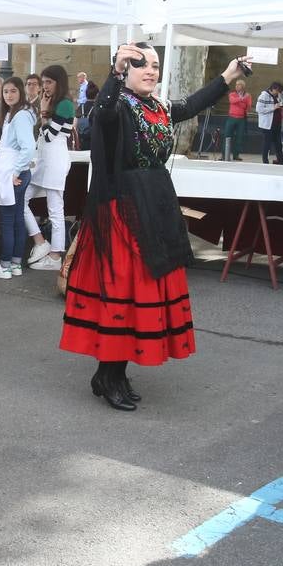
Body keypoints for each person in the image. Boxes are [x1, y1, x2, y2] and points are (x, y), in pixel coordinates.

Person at [62, 44, 250, 411]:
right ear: (125, 71)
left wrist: (228, 76)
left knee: (143, 295)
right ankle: (108, 373)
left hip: (155, 206)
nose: (150, 71)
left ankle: (112, 373)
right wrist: (114, 75)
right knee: (126, 294)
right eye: (140, 65)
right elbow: (103, 115)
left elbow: (191, 105)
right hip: (122, 213)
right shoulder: (116, 106)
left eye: (155, 65)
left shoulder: (157, 108)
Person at [25, 65, 76, 272]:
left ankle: (55, 256)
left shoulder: (64, 104)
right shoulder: (55, 102)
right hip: (45, 160)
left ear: (58, 82)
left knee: (55, 209)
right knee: (21, 199)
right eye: (43, 81)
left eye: (48, 82)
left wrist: (44, 112)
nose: (44, 86)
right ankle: (40, 241)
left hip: (54, 160)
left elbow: (49, 134)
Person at [0, 78, 37, 279]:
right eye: (6, 91)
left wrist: (15, 172)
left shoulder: (21, 115)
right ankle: (15, 264)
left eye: (13, 91)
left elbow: (28, 147)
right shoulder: (13, 114)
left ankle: (5, 265)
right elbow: (6, 144)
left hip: (13, 173)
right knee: (15, 219)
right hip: (11, 170)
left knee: (8, 219)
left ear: (20, 92)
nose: (8, 95)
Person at [255, 81, 283, 164]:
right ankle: (265, 161)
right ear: (273, 89)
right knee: (267, 144)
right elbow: (259, 109)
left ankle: (281, 161)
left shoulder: (277, 96)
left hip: (277, 124)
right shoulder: (263, 96)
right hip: (268, 125)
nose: (278, 93)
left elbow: (277, 106)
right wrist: (273, 108)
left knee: (278, 144)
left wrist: (281, 107)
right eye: (277, 91)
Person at [223, 77, 252, 160]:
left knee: (239, 138)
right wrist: (242, 99)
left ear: (242, 86)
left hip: (241, 119)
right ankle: (224, 155)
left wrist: (241, 101)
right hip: (231, 118)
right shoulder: (232, 94)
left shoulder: (248, 95)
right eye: (236, 85)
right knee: (227, 136)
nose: (236, 86)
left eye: (238, 85)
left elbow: (248, 106)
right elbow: (232, 101)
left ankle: (236, 155)